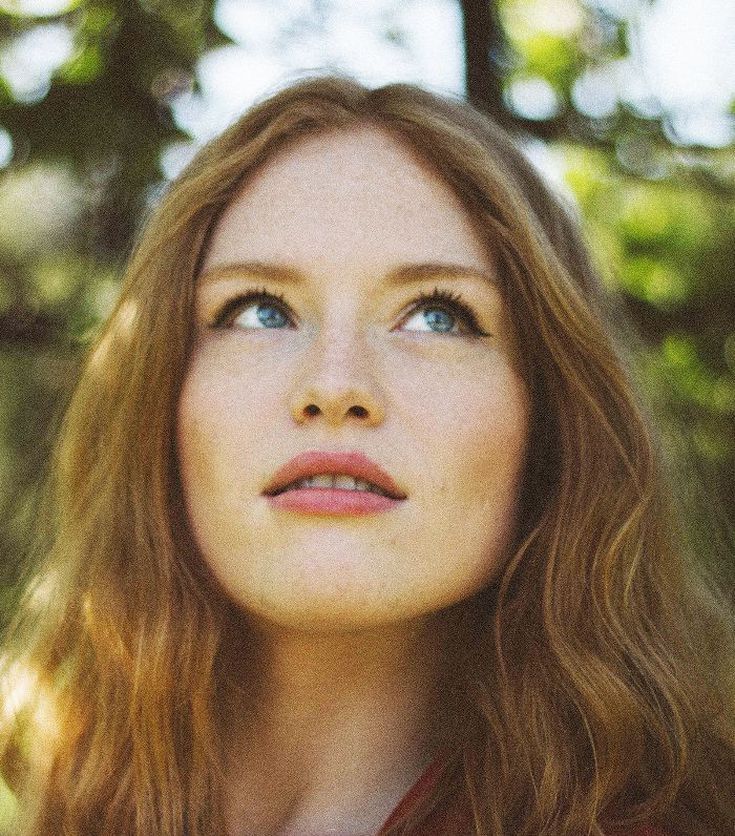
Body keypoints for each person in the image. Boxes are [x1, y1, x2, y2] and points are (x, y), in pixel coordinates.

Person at [0, 73, 733, 836]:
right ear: (159, 398)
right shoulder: (69, 803)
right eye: (258, 309)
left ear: (551, 422)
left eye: (437, 317)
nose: (335, 385)